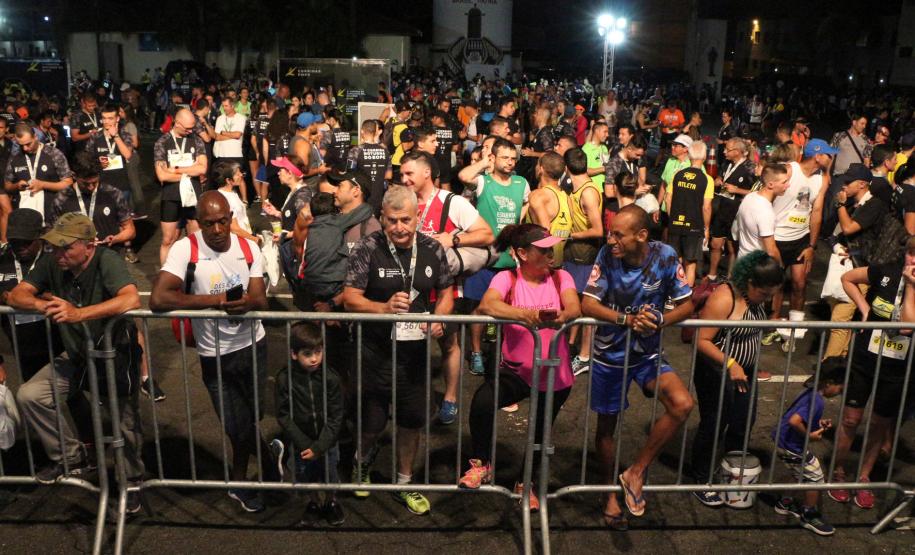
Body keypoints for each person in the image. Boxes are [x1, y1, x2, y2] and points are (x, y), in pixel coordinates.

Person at [9, 213, 144, 511]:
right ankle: (72, 456)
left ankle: (131, 481)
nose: (58, 253)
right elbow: (17, 295)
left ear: (88, 246)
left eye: (65, 247)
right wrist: (44, 304)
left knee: (125, 425)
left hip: (114, 356)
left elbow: (131, 300)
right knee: (30, 395)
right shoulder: (53, 262)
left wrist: (79, 314)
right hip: (77, 355)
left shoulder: (107, 260)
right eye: (55, 246)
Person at [150, 191, 271, 513]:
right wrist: (215, 303)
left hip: (253, 346)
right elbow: (158, 299)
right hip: (213, 353)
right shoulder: (185, 249)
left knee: (251, 418)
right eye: (208, 224)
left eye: (222, 222)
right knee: (236, 425)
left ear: (231, 218)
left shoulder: (248, 248)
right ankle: (252, 474)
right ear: (198, 223)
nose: (217, 230)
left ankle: (254, 468)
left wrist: (245, 303)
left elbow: (260, 299)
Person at [342, 185, 454, 516]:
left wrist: (440, 318)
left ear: (418, 217)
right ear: (382, 219)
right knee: (372, 422)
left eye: (406, 220)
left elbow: (447, 290)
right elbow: (349, 297)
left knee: (411, 421)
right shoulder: (368, 247)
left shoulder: (433, 248)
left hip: (415, 357)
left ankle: (404, 482)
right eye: (392, 221)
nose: (399, 228)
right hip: (373, 352)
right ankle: (360, 465)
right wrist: (383, 307)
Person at [582, 204, 694, 521]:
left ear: (642, 235)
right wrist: (626, 319)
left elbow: (687, 307)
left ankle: (635, 471)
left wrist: (661, 320)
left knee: (682, 404)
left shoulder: (666, 256)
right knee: (606, 429)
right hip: (610, 355)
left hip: (647, 353)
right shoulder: (606, 255)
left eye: (618, 234)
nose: (610, 238)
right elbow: (587, 303)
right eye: (610, 232)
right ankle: (607, 494)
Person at [459, 224, 580, 511]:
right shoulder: (507, 277)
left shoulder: (562, 276)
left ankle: (527, 484)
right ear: (523, 253)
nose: (550, 254)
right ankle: (482, 463)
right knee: (482, 402)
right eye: (543, 250)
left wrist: (560, 316)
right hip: (515, 370)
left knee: (541, 431)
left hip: (555, 372)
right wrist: (528, 315)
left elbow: (574, 308)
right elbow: (488, 305)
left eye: (551, 248)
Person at [403, 150, 494, 423]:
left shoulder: (451, 202)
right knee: (409, 346)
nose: (404, 179)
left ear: (426, 173)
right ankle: (414, 395)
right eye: (402, 174)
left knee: (449, 344)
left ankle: (451, 397)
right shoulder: (403, 201)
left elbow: (487, 234)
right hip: (411, 290)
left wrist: (453, 240)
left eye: (409, 174)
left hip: (445, 290)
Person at [691, 251, 782, 505]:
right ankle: (700, 478)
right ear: (750, 282)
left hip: (744, 371)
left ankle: (728, 471)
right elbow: (702, 340)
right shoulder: (724, 297)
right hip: (716, 370)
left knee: (743, 420)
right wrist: (730, 363)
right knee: (714, 422)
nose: (768, 299)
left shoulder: (756, 299)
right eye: (764, 294)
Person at [831, 236, 915, 509]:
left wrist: (912, 287)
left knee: (880, 423)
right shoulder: (885, 270)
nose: (914, 262)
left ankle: (864, 477)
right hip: (865, 358)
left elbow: (906, 327)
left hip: (897, 366)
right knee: (851, 420)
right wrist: (865, 309)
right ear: (905, 254)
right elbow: (848, 278)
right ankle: (838, 471)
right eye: (912, 255)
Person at [458, 138, 530, 374]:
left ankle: (504, 355)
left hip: (509, 260)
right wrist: (482, 163)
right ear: (494, 158)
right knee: (478, 307)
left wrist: (518, 228)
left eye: (513, 158)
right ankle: (477, 352)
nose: (510, 162)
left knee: (508, 309)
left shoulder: (521, 183)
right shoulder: (483, 181)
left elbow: (525, 204)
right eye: (505, 158)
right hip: (483, 256)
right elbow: (464, 177)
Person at [763, 139, 834, 349]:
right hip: (777, 236)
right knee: (774, 285)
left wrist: (812, 246)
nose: (831, 158)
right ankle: (772, 325)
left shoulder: (822, 180)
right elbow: (766, 195)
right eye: (829, 154)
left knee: (799, 284)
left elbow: (817, 213)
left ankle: (793, 330)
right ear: (818, 156)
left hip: (800, 239)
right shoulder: (789, 170)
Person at [275, 321, 345, 526]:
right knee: (306, 475)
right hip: (301, 443)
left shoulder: (330, 378)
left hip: (327, 442)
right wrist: (305, 444)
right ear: (294, 354)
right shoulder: (284, 379)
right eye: (307, 353)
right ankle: (314, 502)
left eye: (318, 351)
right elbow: (283, 415)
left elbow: (336, 416)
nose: (314, 358)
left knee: (330, 474)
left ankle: (331, 502)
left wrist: (320, 446)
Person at [771, 360, 845, 536]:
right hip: (791, 445)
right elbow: (794, 421)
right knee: (815, 478)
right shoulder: (817, 401)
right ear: (829, 383)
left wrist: (817, 423)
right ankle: (809, 515)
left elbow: (801, 417)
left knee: (798, 473)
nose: (840, 393)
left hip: (783, 440)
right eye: (840, 388)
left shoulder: (811, 393)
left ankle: (785, 502)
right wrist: (809, 435)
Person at [0, 209, 64, 381]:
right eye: (15, 241)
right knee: (31, 397)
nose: (20, 246)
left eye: (26, 242)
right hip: (21, 346)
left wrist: (12, 298)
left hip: (61, 343)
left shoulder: (57, 258)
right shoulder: (1, 259)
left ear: (41, 236)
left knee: (73, 397)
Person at [563, 148, 603, 376]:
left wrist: (569, 235)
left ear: (567, 168)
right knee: (575, 304)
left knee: (588, 307)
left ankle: (586, 356)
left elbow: (598, 230)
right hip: (574, 254)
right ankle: (572, 347)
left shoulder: (588, 192)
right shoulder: (576, 188)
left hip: (586, 255)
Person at [153, 108, 207, 265]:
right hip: (171, 196)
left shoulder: (196, 140)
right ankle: (166, 276)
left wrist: (175, 169)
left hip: (193, 195)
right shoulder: (162, 142)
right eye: (187, 128)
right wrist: (191, 170)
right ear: (177, 123)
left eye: (192, 127)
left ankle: (196, 273)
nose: (191, 130)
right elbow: (162, 176)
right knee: (168, 239)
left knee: (195, 237)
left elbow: (202, 168)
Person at [4, 123, 74, 224]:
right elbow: (7, 185)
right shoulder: (15, 157)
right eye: (21, 145)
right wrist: (16, 186)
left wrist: (43, 185)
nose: (25, 149)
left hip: (52, 215)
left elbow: (68, 182)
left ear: (36, 137)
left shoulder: (53, 154)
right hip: (25, 216)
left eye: (28, 144)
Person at [665, 141, 713, 287]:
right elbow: (706, 207)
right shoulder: (707, 179)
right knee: (690, 264)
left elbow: (668, 199)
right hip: (694, 226)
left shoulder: (678, 175)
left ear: (690, 156)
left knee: (675, 262)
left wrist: (672, 218)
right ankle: (686, 297)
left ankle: (672, 295)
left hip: (675, 225)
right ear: (704, 157)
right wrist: (706, 228)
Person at [707, 138, 756, 282]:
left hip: (736, 213)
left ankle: (730, 277)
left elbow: (757, 192)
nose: (724, 151)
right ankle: (712, 274)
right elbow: (721, 175)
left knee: (732, 247)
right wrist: (718, 180)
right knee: (715, 244)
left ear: (737, 152)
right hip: (721, 210)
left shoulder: (750, 167)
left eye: (727, 150)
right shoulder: (727, 162)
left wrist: (737, 190)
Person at [733, 163, 790, 261]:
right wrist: (780, 268)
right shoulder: (765, 212)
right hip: (756, 267)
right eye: (784, 182)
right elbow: (771, 251)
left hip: (742, 260)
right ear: (770, 184)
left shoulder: (750, 197)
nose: (788, 185)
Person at [525, 151, 573, 265]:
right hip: (558, 265)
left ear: (541, 169)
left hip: (538, 267)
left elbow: (544, 233)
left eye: (537, 164)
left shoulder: (538, 195)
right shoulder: (567, 199)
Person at [347, 119, 392, 216]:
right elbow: (389, 175)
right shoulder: (385, 151)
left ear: (362, 131)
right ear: (376, 132)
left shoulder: (356, 151)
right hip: (378, 197)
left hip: (361, 198)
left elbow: (349, 175)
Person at [211, 159, 259, 244]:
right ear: (228, 180)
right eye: (237, 174)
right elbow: (234, 229)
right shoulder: (225, 199)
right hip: (237, 241)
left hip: (245, 237)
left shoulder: (232, 193)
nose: (241, 175)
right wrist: (254, 239)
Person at [214, 98, 249, 204]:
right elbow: (217, 136)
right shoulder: (220, 118)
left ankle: (244, 200)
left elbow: (238, 135)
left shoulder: (241, 118)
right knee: (223, 179)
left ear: (232, 106)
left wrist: (224, 132)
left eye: (226, 106)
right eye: (223, 106)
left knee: (239, 177)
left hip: (235, 153)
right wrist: (231, 135)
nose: (224, 108)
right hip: (221, 153)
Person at [658, 134, 693, 216]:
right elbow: (664, 184)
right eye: (672, 145)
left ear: (685, 149)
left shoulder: (694, 165)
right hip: (666, 207)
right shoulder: (670, 160)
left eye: (676, 145)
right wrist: (657, 205)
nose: (672, 147)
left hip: (683, 211)